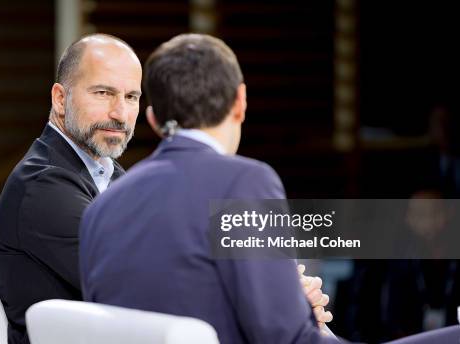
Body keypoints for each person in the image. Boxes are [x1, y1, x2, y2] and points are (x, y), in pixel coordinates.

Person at [79, 33, 336, 344]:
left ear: (153, 119)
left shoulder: (99, 209)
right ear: (240, 102)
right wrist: (301, 309)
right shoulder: (244, 182)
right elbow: (287, 337)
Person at [0, 34, 142, 344]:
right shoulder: (43, 184)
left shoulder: (110, 174)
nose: (120, 114)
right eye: (103, 93)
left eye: (131, 97)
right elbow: (131, 283)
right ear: (61, 99)